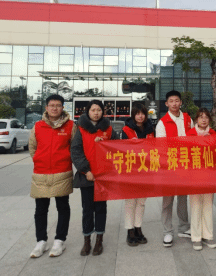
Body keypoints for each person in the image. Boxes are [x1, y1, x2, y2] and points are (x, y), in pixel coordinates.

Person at [29, 94, 77, 259]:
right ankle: (41, 241)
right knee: (40, 209)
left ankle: (59, 240)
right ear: (46, 107)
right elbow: (32, 148)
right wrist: (39, 160)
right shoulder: (38, 126)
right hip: (41, 173)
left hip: (62, 171)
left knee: (63, 207)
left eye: (58, 105)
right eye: (52, 105)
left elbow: (74, 148)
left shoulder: (70, 126)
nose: (55, 108)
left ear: (63, 107)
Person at [71, 100, 116, 257]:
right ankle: (87, 241)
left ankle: (99, 240)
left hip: (103, 176)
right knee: (87, 209)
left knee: (101, 208)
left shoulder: (108, 129)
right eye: (93, 110)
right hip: (87, 177)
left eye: (99, 110)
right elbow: (76, 151)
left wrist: (105, 144)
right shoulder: (81, 129)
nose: (96, 113)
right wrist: (86, 170)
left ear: (103, 112)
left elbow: (117, 147)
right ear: (88, 111)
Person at [155, 90, 194, 248]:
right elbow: (161, 147)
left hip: (184, 165)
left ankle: (184, 227)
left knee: (183, 198)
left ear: (180, 102)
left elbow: (194, 139)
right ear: (166, 104)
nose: (174, 103)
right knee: (167, 201)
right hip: (169, 166)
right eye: (171, 101)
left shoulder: (188, 119)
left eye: (177, 100)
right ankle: (167, 231)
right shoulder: (162, 123)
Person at [121, 104, 155, 247]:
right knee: (130, 202)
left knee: (141, 202)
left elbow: (155, 148)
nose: (140, 116)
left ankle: (138, 228)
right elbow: (121, 150)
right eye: (137, 113)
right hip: (131, 171)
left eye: (142, 113)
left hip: (145, 170)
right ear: (133, 115)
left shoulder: (151, 129)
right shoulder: (126, 130)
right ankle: (130, 231)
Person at [187, 108, 216, 251]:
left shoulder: (214, 134)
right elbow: (186, 154)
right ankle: (196, 237)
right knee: (195, 206)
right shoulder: (189, 134)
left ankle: (208, 235)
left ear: (209, 120)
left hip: (209, 174)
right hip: (193, 175)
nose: (203, 120)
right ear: (196, 120)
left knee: (207, 205)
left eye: (206, 117)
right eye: (201, 117)